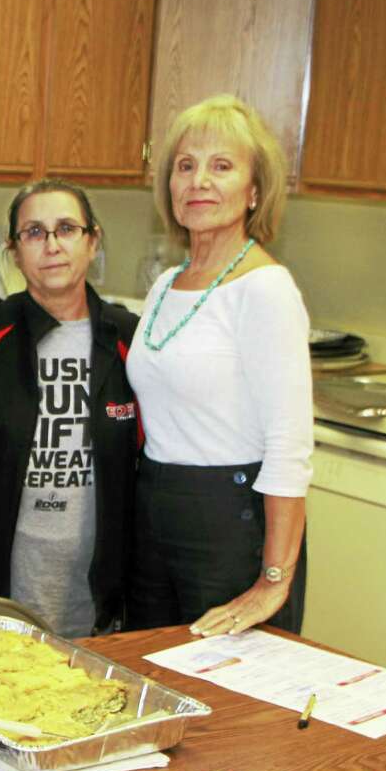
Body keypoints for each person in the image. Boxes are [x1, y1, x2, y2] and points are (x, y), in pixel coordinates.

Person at [125, 94, 312, 637]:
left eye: (221, 166)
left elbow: (290, 445)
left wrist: (274, 580)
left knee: (233, 699)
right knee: (155, 677)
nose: (199, 180)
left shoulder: (265, 289)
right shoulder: (166, 284)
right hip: (156, 508)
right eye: (186, 166)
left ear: (255, 191)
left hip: (232, 521)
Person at [0, 180, 139, 638]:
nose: (52, 245)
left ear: (92, 241)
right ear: (15, 252)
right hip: (2, 582)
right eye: (34, 233)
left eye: (66, 229)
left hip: (96, 586)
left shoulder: (130, 337)